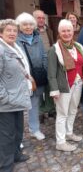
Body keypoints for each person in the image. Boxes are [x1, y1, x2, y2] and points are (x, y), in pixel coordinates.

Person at [48, 19, 83, 151]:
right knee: (62, 113)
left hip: (78, 83)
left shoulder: (79, 47)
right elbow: (51, 72)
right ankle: (60, 141)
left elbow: (81, 64)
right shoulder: (54, 49)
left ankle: (69, 133)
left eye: (69, 30)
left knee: (73, 109)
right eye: (63, 31)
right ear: (59, 32)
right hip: (63, 85)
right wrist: (54, 90)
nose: (66, 33)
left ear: (73, 31)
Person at [0, 19, 32, 171]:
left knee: (18, 130)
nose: (12, 33)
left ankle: (16, 154)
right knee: (7, 135)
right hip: (6, 102)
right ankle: (5, 165)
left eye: (14, 31)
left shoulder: (14, 47)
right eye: (8, 30)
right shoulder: (1, 49)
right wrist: (4, 97)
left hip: (17, 98)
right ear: (1, 33)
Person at [16, 12, 47, 140]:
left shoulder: (38, 38)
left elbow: (44, 55)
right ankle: (17, 135)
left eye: (30, 24)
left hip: (37, 76)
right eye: (24, 24)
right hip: (23, 77)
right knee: (19, 106)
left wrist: (45, 69)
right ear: (20, 26)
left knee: (34, 102)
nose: (28, 27)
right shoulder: (16, 40)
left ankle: (34, 129)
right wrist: (25, 74)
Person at [33, 10, 55, 120]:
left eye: (43, 18)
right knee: (39, 88)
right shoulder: (32, 31)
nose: (41, 20)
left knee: (50, 86)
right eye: (39, 18)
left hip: (49, 62)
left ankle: (50, 108)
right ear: (34, 19)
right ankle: (40, 111)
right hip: (37, 64)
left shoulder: (49, 30)